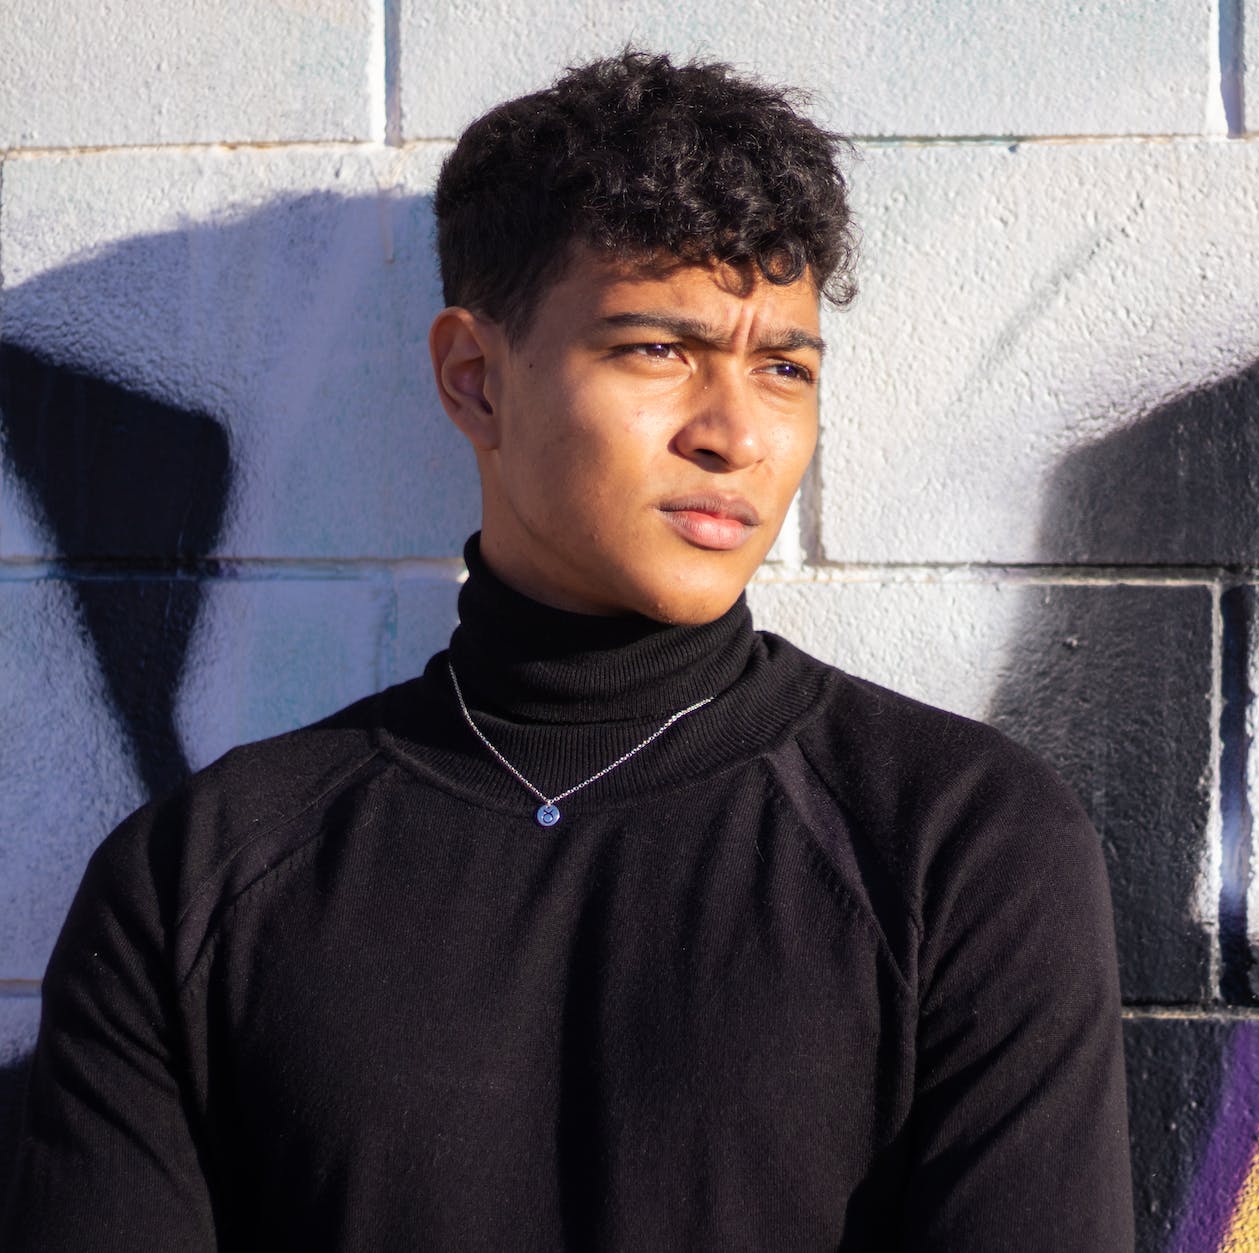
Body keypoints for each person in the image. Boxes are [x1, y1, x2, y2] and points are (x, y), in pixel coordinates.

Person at [2, 48, 1133, 1251]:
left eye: (784, 367)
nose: (735, 432)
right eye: (656, 349)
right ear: (475, 378)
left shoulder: (956, 841)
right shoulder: (200, 877)